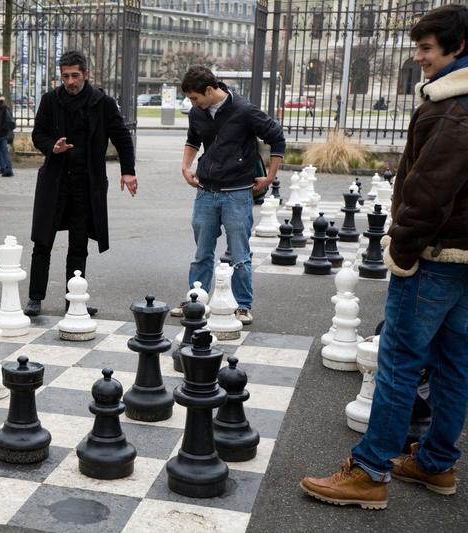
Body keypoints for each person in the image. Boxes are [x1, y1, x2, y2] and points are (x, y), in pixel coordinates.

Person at [301, 4, 468, 510]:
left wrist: (403, 251)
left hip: (435, 257)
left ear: (457, 48)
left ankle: (370, 471)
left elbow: (429, 193)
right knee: (453, 365)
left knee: (398, 362)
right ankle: (436, 463)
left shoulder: (450, 108)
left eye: (426, 49)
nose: (418, 58)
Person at [23, 50, 137, 317]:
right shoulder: (50, 100)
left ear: (86, 74)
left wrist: (128, 171)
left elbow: (121, 137)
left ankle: (73, 300)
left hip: (87, 184)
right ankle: (35, 297)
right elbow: (37, 133)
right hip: (55, 180)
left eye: (75, 75)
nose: (70, 81)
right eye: (65, 76)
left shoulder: (103, 103)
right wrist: (52, 146)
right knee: (42, 241)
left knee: (78, 245)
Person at [176, 66, 285, 324]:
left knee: (239, 254)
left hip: (237, 193)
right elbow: (193, 140)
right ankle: (196, 298)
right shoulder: (197, 113)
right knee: (202, 252)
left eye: (195, 98)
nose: (192, 104)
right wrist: (185, 166)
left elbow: (277, 138)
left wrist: (270, 176)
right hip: (205, 192)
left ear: (210, 90)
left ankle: (243, 304)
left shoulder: (244, 110)